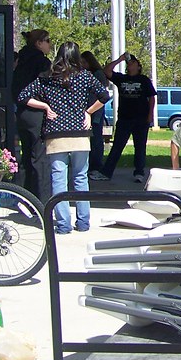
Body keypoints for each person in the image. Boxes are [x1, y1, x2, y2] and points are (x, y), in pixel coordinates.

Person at [18, 41, 109, 234]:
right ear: (77, 56)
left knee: (59, 180)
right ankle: (83, 222)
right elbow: (104, 96)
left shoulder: (48, 78)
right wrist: (88, 112)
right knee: (80, 178)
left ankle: (63, 224)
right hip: (80, 133)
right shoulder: (85, 76)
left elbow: (23, 96)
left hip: (55, 133)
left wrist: (45, 107)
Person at [90, 52, 156, 183]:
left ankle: (139, 172)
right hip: (125, 118)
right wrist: (120, 59)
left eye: (133, 63)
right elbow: (107, 71)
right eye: (129, 64)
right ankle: (106, 172)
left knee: (140, 146)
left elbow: (152, 98)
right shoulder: (121, 78)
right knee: (117, 146)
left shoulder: (144, 80)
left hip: (141, 119)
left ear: (138, 66)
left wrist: (150, 115)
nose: (131, 66)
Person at [11, 29, 53, 202]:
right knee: (40, 159)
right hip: (37, 112)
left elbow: (15, 88)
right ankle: (43, 203)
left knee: (26, 158)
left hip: (22, 114)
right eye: (48, 41)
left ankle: (26, 199)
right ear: (39, 43)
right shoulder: (42, 62)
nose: (50, 44)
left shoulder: (20, 60)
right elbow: (45, 88)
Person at [80, 50, 109, 178]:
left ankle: (96, 165)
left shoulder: (97, 74)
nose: (82, 64)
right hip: (87, 110)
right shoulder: (85, 74)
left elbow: (102, 95)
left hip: (95, 111)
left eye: (84, 62)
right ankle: (89, 164)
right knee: (89, 139)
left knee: (96, 139)